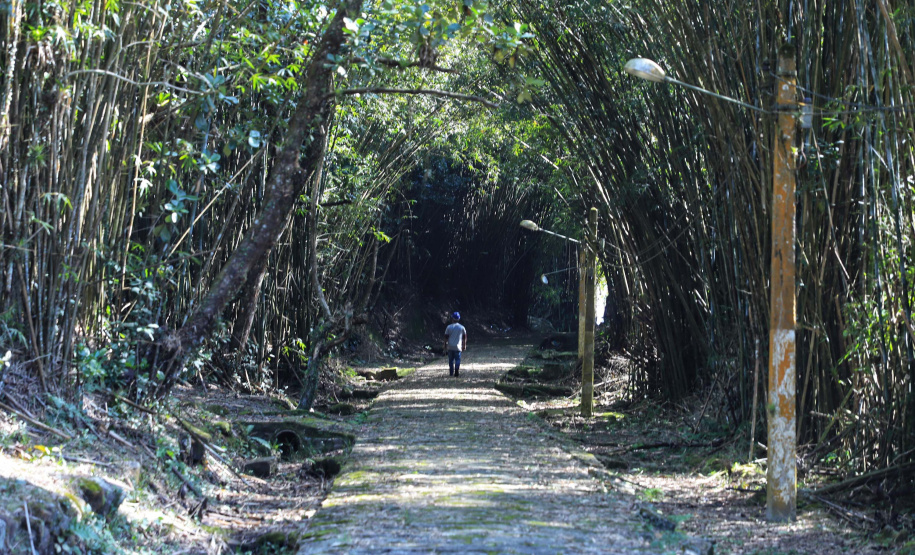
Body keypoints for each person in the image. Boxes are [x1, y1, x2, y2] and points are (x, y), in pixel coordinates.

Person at [443, 311, 467, 377]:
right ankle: (456, 370)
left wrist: (445, 345)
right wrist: (464, 345)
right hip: (458, 347)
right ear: (458, 319)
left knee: (451, 360)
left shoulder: (448, 327)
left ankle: (451, 373)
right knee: (457, 359)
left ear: (452, 319)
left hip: (450, 347)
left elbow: (446, 338)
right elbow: (464, 338)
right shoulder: (462, 327)